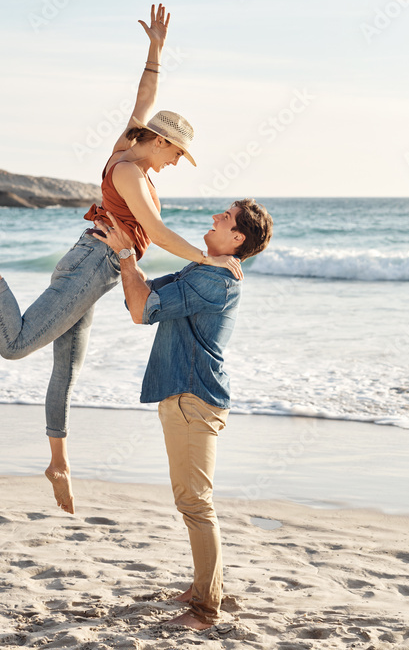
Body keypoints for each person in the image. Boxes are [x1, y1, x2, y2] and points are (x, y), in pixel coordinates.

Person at [0, 4, 242, 516]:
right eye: (178, 153)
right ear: (160, 142)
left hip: (94, 266)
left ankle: (58, 463)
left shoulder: (133, 153)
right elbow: (152, 231)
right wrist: (207, 259)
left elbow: (144, 98)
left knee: (67, 370)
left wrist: (155, 49)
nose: (178, 162)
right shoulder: (131, 171)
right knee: (15, 345)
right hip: (92, 266)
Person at [91, 199, 274, 630]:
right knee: (191, 501)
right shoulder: (203, 269)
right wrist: (125, 249)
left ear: (237, 239)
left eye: (225, 217)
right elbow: (144, 294)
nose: (215, 217)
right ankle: (202, 589)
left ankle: (205, 610)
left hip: (194, 399)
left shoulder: (215, 280)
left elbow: (141, 309)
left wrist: (125, 256)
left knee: (195, 504)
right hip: (183, 395)